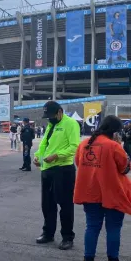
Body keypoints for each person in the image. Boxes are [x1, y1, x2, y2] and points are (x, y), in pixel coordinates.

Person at [74, 115, 131, 261]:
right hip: (113, 193)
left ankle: (89, 257)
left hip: (90, 193)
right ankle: (113, 258)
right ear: (115, 131)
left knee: (92, 227)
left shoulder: (84, 143)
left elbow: (78, 163)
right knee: (113, 228)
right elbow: (125, 168)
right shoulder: (114, 146)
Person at [33, 101, 80, 250]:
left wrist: (57, 156)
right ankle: (48, 233)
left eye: (51, 115)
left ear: (60, 112)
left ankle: (67, 237)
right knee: (47, 204)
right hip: (47, 170)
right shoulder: (51, 125)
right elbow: (44, 145)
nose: (49, 119)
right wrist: (37, 157)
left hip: (63, 169)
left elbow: (74, 146)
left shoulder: (71, 124)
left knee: (65, 204)